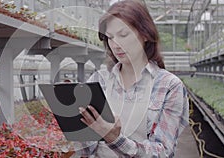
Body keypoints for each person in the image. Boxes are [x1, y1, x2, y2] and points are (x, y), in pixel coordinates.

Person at [75, 0, 189, 157]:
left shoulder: (168, 86)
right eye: (110, 37)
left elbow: (162, 152)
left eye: (123, 35)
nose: (115, 44)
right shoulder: (99, 80)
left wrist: (115, 139)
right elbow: (86, 148)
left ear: (145, 35)